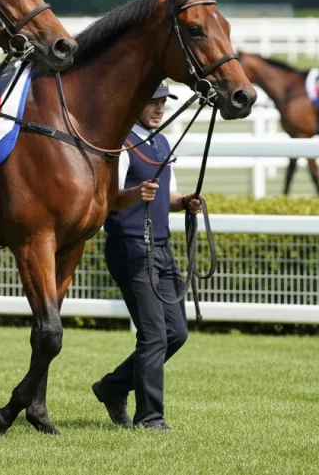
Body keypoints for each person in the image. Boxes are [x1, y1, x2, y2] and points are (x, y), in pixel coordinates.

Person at [91, 82, 201, 432]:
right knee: (154, 334)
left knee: (176, 333)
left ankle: (113, 387)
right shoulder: (122, 144)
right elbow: (109, 198)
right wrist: (135, 194)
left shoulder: (162, 143)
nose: (159, 109)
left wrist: (184, 202)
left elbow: (166, 195)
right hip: (131, 247)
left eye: (162, 102)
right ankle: (150, 417)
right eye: (152, 102)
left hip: (161, 247)